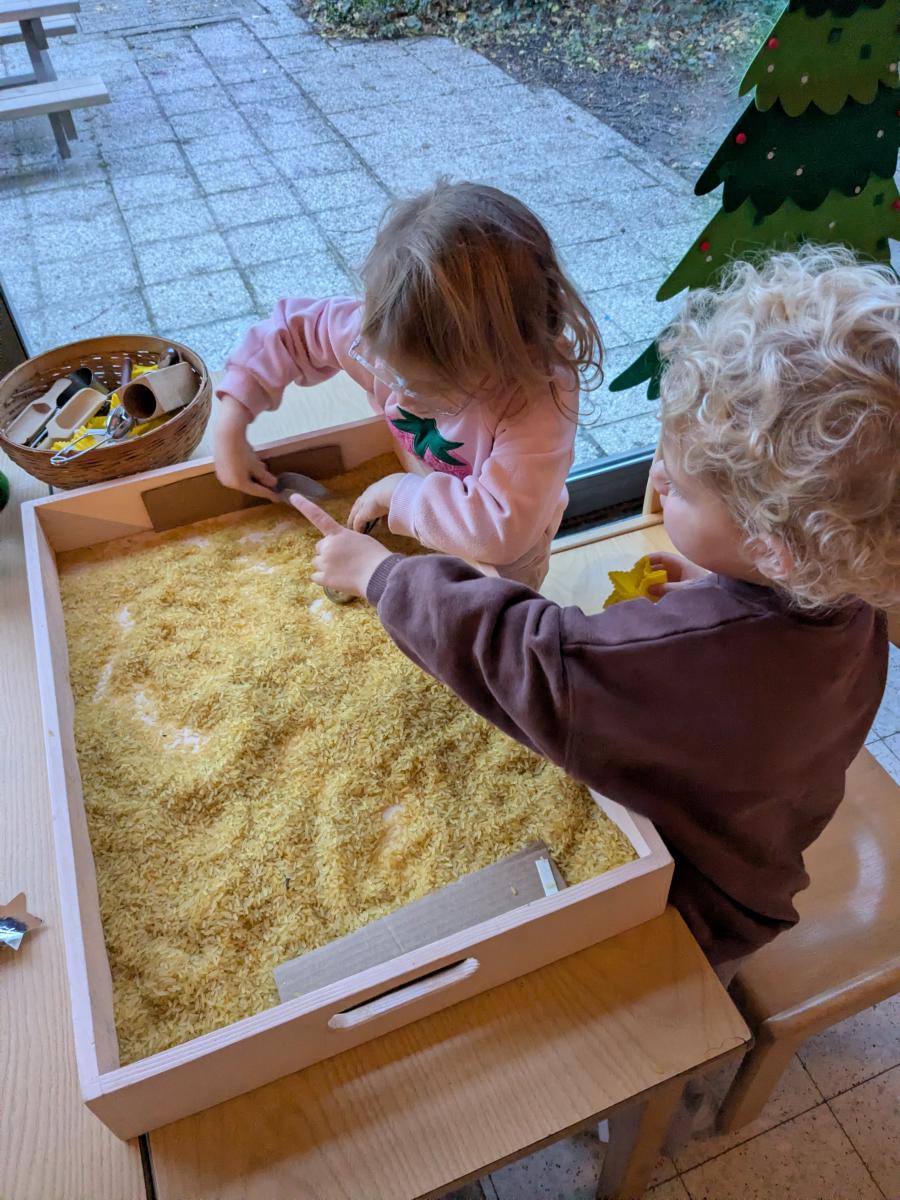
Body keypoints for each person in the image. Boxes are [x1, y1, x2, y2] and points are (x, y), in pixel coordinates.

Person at [292, 245, 898, 974]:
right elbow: (751, 658)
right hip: (760, 838)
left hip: (697, 905)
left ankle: (701, 1026)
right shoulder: (850, 592)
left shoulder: (667, 656)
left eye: (681, 486)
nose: (657, 474)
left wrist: (381, 575)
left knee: (605, 1003)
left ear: (776, 551)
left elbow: (531, 653)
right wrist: (718, 592)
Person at [214, 179, 602, 589]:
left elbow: (500, 531)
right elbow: (292, 332)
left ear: (500, 358)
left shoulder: (536, 396)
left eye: (426, 389)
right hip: (425, 496)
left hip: (502, 556)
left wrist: (400, 492)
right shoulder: (391, 334)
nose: (401, 398)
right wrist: (231, 423)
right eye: (394, 375)